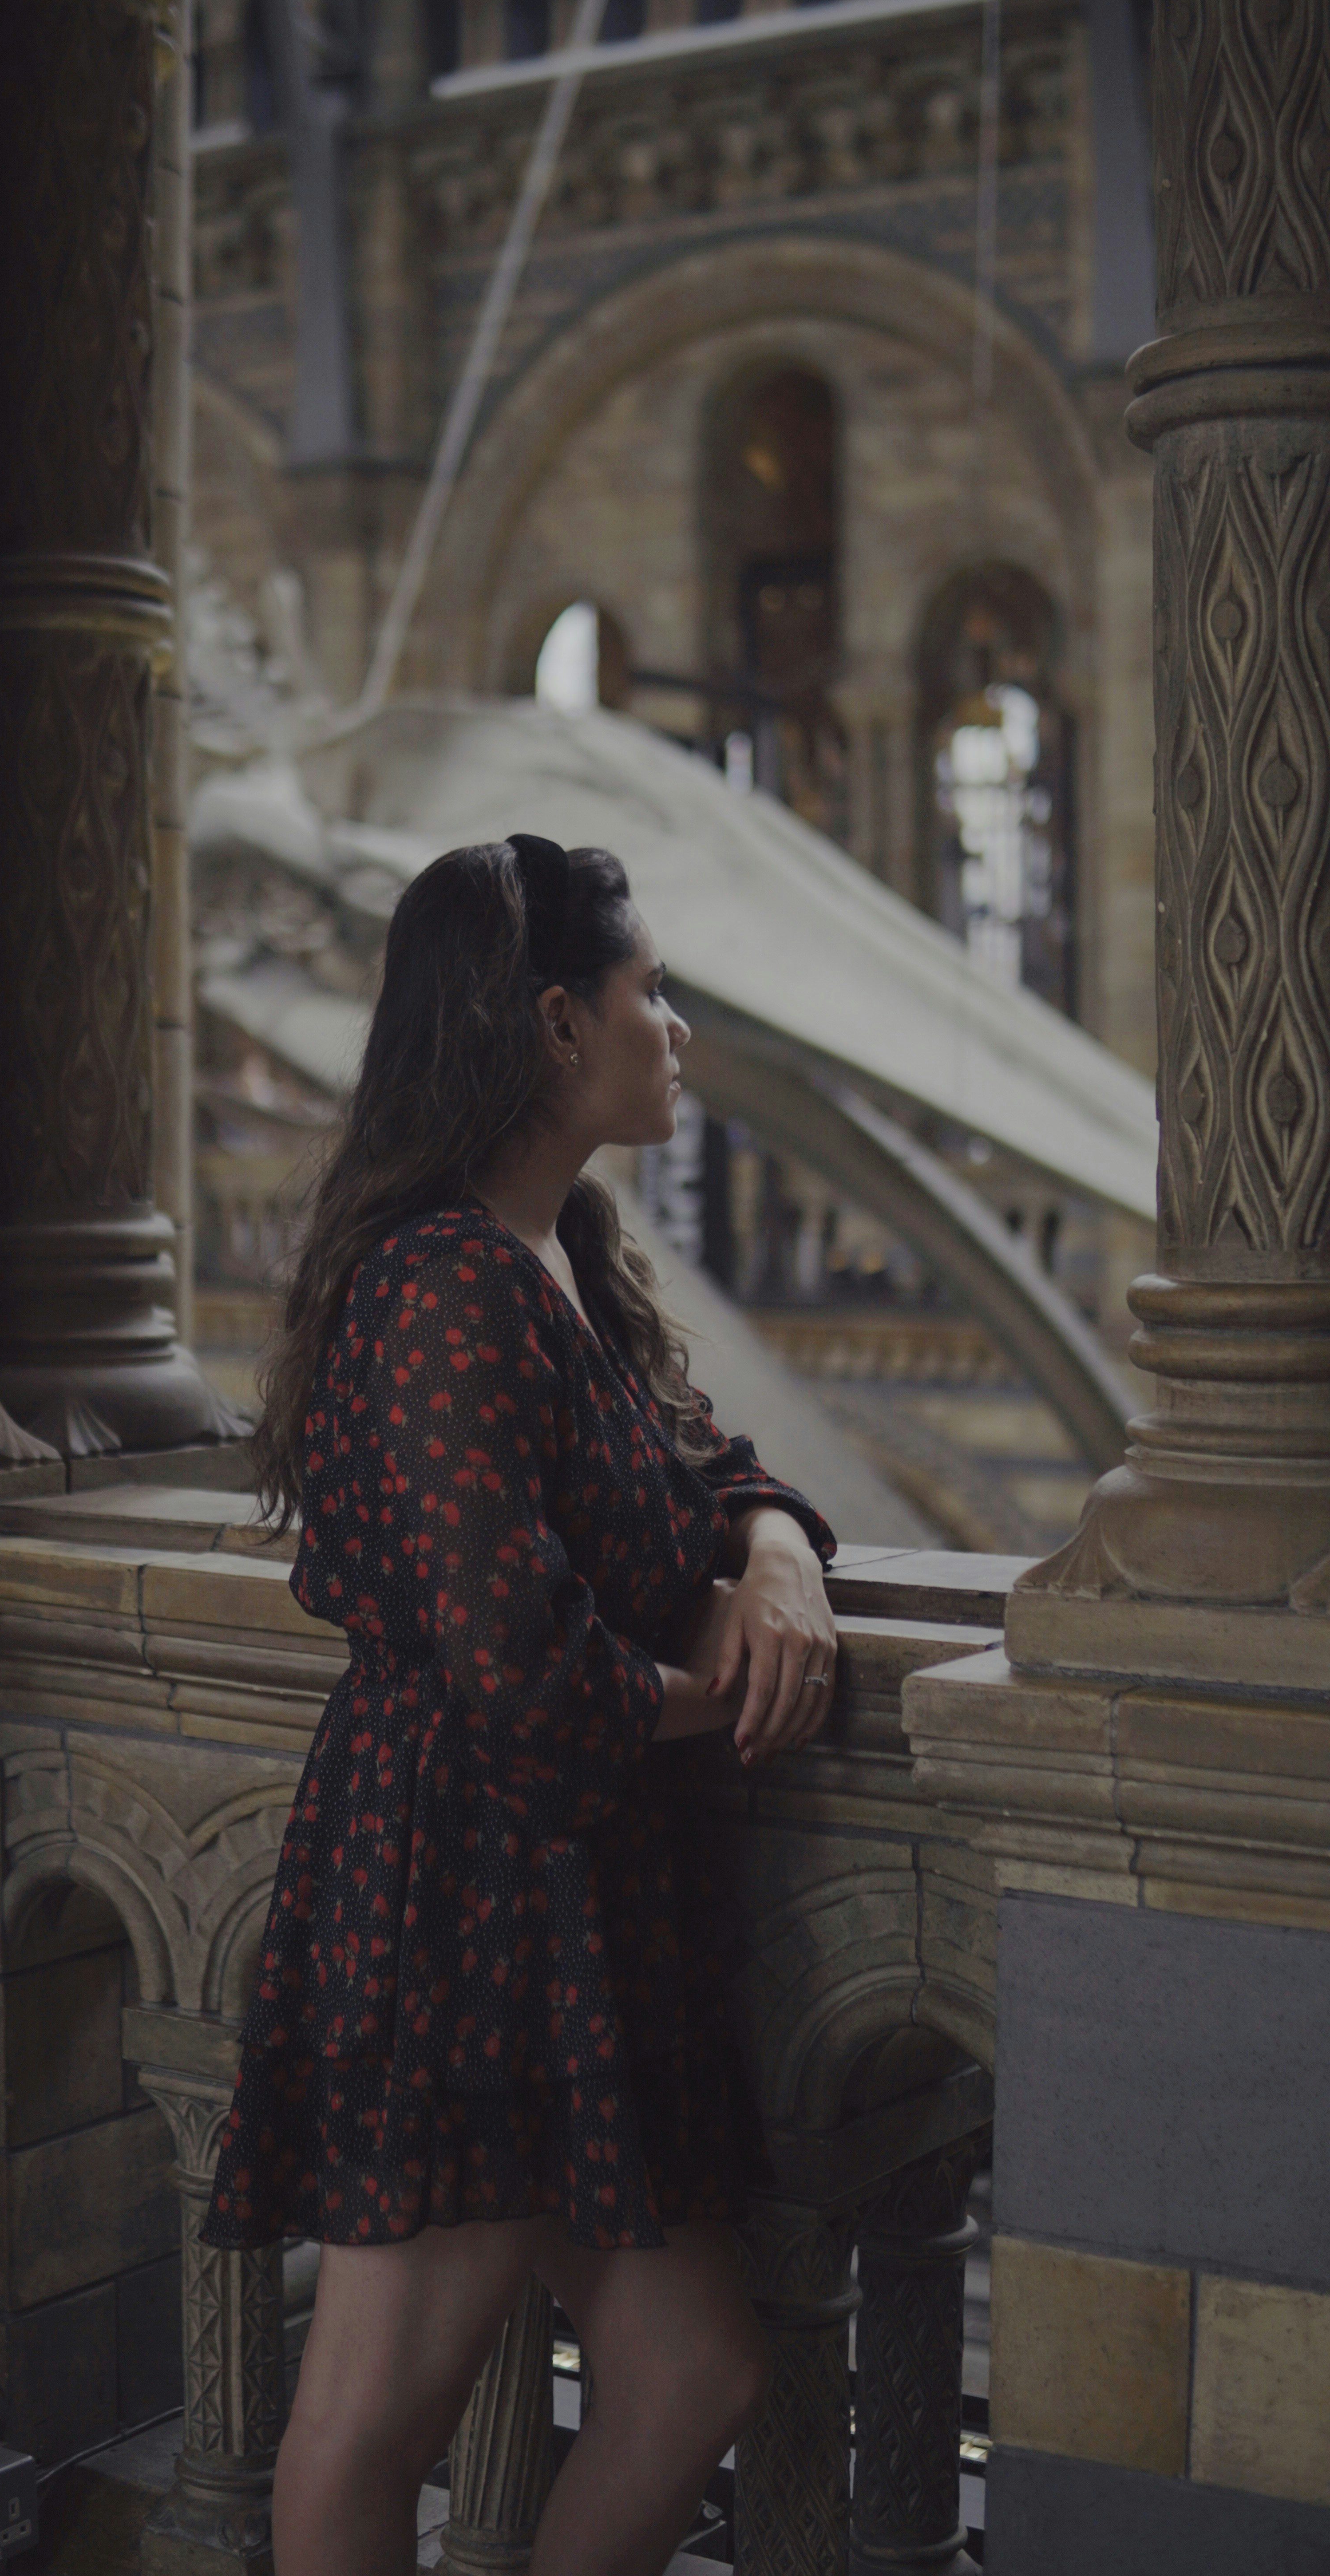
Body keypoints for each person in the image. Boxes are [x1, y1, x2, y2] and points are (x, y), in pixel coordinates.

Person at [202, 835, 838, 2576]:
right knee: (364, 2428)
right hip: (460, 1895)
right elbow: (521, 1672)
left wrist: (777, 1551)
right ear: (558, 1025)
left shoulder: (559, 1249)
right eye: (653, 993)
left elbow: (706, 1463)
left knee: (693, 2374)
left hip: (572, 1897)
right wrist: (728, 1688)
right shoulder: (441, 1286)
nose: (678, 1030)